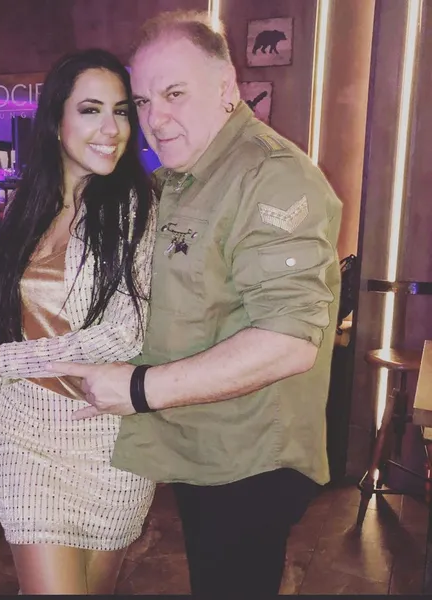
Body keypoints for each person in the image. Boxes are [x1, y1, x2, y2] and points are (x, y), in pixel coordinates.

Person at [51, 11, 343, 597]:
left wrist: (138, 389)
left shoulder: (271, 176)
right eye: (142, 101)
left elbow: (289, 342)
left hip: (248, 455)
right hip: (199, 439)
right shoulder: (184, 176)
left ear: (227, 88)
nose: (155, 119)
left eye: (175, 94)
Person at [0, 48, 156, 595]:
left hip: (110, 444)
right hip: (27, 437)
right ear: (55, 120)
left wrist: (5, 361)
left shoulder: (135, 208)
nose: (111, 129)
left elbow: (124, 333)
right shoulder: (28, 205)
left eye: (121, 111)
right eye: (91, 110)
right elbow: (7, 318)